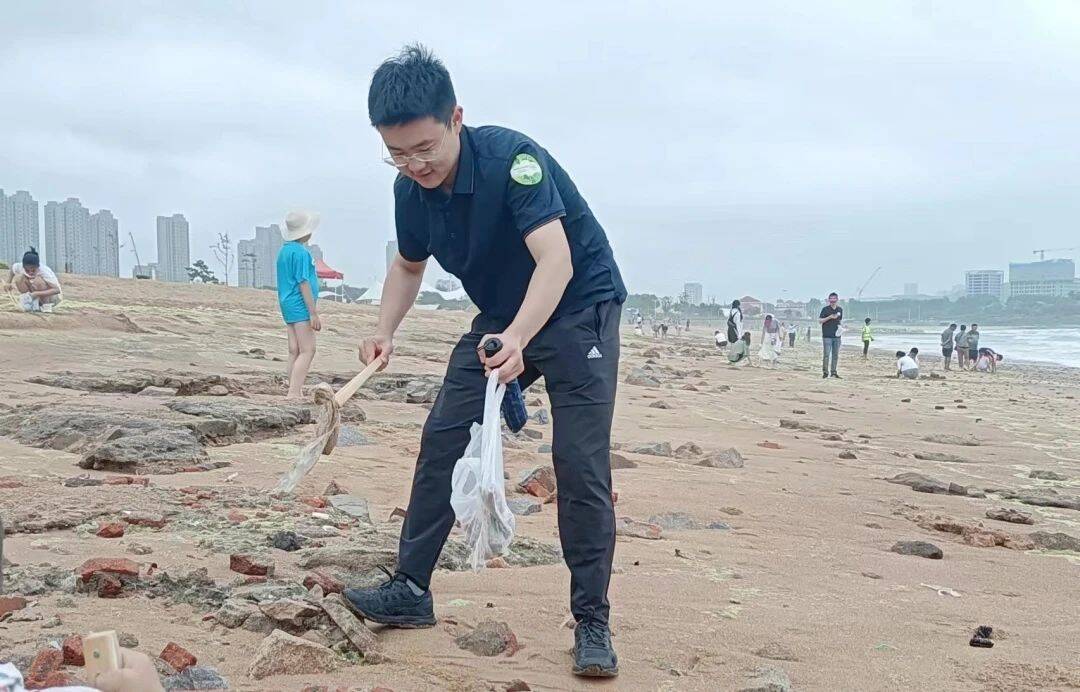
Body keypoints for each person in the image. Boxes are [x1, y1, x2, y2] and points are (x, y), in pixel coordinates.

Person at [347, 45, 627, 678]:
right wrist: (383, 330)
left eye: (424, 148)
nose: (414, 165)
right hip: (503, 316)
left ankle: (591, 620)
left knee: (579, 463)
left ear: (456, 119)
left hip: (580, 306)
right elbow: (408, 266)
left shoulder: (513, 162)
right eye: (397, 153)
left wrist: (519, 341)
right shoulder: (410, 191)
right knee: (444, 436)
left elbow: (557, 261)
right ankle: (410, 588)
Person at [276, 211, 322, 400]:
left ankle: (295, 389)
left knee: (294, 350)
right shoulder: (301, 253)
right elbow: (303, 283)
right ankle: (294, 392)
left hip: (286, 303)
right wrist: (313, 313)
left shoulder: (284, 251)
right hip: (299, 305)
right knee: (308, 349)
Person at [2, 248, 62, 313]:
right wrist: (8, 282)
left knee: (38, 281)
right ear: (23, 267)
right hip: (34, 295)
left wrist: (36, 293)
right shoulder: (20, 267)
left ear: (38, 266)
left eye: (33, 270)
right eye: (27, 270)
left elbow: (57, 290)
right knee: (19, 278)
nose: (30, 273)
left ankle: (46, 306)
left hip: (52, 298)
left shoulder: (44, 271)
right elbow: (13, 269)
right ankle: (29, 302)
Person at [819, 292, 843, 378]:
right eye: (831, 299)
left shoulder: (840, 309)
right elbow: (820, 321)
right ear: (829, 300)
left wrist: (842, 328)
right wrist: (829, 317)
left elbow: (839, 321)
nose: (832, 300)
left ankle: (833, 372)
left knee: (835, 355)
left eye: (834, 299)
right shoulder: (825, 309)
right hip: (827, 336)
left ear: (837, 299)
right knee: (826, 355)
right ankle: (825, 373)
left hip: (837, 336)